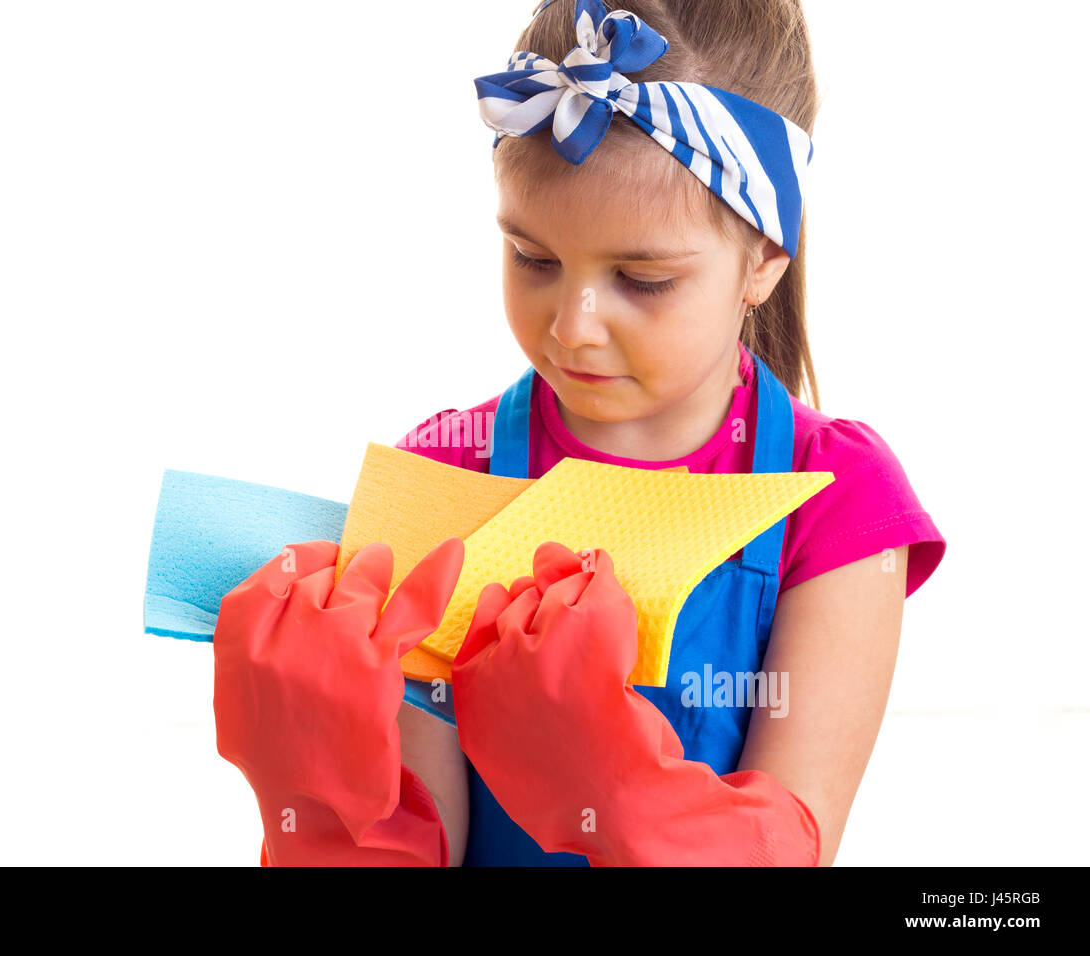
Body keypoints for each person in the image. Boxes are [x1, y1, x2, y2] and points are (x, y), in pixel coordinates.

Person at [212, 0, 945, 867]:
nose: (574, 326)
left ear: (765, 259)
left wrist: (614, 793)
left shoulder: (840, 501)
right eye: (535, 260)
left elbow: (792, 844)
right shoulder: (444, 471)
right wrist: (322, 797)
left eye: (642, 278)